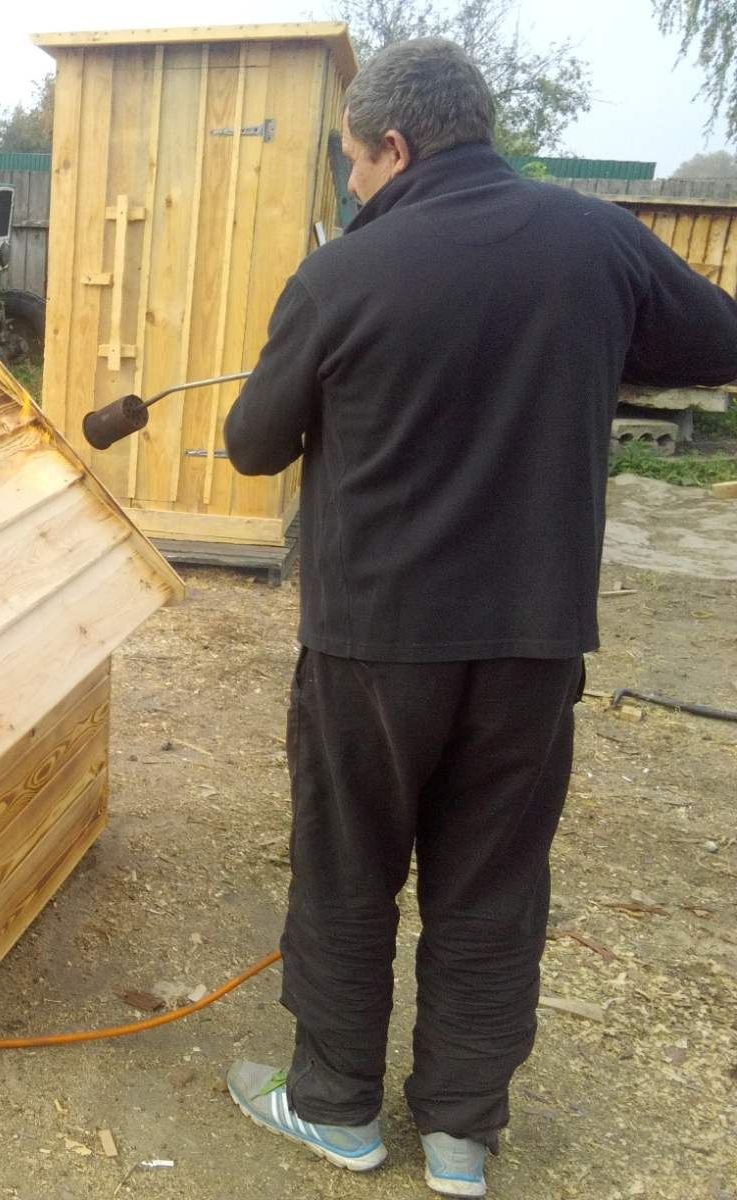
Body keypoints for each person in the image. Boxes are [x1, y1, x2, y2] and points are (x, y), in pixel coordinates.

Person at [220, 36, 737, 1199]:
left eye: (353, 163)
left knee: (349, 867)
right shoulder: (596, 238)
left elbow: (250, 446)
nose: (351, 185)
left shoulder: (342, 275)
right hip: (530, 641)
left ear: (395, 148)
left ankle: (334, 1111)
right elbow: (716, 342)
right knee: (491, 879)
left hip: (371, 649)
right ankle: (460, 1139)